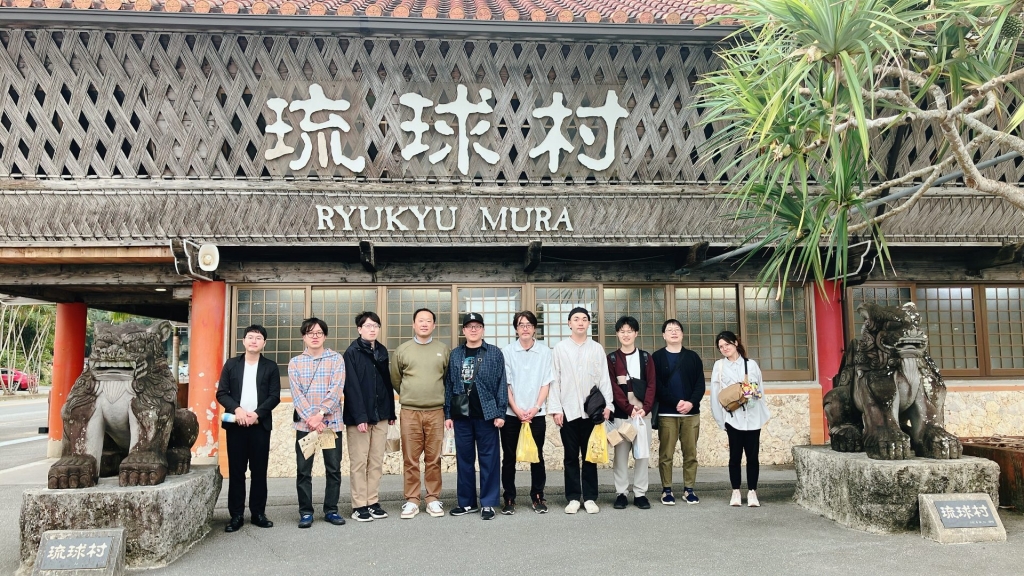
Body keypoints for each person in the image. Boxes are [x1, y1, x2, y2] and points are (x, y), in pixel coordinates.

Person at [216, 324, 281, 532]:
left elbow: (274, 396)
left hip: (259, 426)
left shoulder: (270, 367)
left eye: (258, 338)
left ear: (264, 343)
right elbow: (222, 393)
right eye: (250, 337)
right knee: (237, 471)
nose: (254, 341)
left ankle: (258, 513)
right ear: (243, 341)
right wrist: (238, 410)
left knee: (259, 471)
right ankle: (236, 515)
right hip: (236, 426)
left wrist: (256, 414)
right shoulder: (231, 364)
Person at [444, 313, 508, 520]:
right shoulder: (455, 354)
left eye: (477, 326)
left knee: (489, 460)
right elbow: (449, 385)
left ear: (483, 329)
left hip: (487, 415)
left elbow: (501, 383)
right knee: (464, 460)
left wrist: (500, 413)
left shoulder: (494, 353)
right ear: (463, 330)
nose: (473, 330)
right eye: (469, 326)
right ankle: (466, 503)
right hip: (461, 415)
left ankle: (488, 503)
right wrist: (448, 413)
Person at [549, 307, 612, 515]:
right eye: (576, 319)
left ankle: (591, 497)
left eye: (584, 319)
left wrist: (608, 405)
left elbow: (604, 379)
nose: (580, 322)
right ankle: (573, 497)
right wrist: (556, 409)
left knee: (590, 456)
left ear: (588, 324)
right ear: (569, 323)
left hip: (591, 412)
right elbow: (555, 380)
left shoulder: (596, 348)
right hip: (567, 411)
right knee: (570, 457)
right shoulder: (560, 348)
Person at [390, 308, 450, 519]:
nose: (424, 324)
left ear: (434, 325)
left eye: (428, 321)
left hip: (436, 411)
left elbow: (446, 379)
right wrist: (410, 394)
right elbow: (396, 379)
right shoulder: (403, 350)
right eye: (420, 320)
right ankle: (412, 500)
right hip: (410, 411)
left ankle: (432, 498)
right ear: (413, 324)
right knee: (410, 458)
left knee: (433, 458)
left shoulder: (443, 349)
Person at [289, 317, 346, 528]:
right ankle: (305, 512)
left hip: (330, 425)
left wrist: (320, 415)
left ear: (325, 336)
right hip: (306, 427)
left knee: (333, 469)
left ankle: (331, 510)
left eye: (319, 333)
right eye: (310, 333)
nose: (315, 336)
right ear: (303, 337)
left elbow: (336, 389)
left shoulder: (336, 359)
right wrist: (311, 419)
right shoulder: (295, 362)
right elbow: (297, 395)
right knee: (304, 470)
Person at [343, 312, 397, 522]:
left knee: (375, 461)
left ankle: (372, 501)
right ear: (359, 329)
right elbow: (351, 387)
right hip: (360, 418)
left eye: (375, 325)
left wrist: (391, 412)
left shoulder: (381, 351)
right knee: (359, 462)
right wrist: (360, 417)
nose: (372, 329)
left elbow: (386, 383)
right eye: (367, 326)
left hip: (381, 414)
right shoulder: (351, 352)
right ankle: (359, 505)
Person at [500, 310, 552, 515]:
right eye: (521, 325)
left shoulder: (545, 352)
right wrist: (516, 408)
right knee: (509, 457)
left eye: (529, 325)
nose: (525, 328)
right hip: (512, 414)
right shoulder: (507, 352)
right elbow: (506, 384)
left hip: (536, 414)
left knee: (537, 456)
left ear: (535, 328)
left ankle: (538, 496)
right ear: (516, 329)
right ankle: (509, 498)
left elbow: (546, 383)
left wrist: (535, 407)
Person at [710, 330, 769, 507]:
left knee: (753, 457)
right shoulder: (719, 366)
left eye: (727, 344)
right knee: (734, 457)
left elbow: (760, 390)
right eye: (721, 347)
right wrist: (720, 419)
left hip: (752, 417)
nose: (724, 348)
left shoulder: (751, 365)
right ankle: (735, 491)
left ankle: (752, 491)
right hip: (732, 418)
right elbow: (715, 394)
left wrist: (750, 395)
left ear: (736, 343)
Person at [606, 316, 657, 510]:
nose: (626, 334)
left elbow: (652, 384)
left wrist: (646, 407)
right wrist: (629, 408)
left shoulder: (646, 358)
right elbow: (612, 387)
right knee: (620, 455)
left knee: (642, 455)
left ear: (636, 333)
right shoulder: (612, 359)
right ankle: (621, 493)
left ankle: (640, 493)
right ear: (617, 334)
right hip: (622, 414)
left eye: (630, 331)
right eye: (622, 331)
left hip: (643, 414)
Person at [653, 319, 705, 505]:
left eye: (677, 329)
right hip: (667, 413)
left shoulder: (693, 357)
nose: (673, 332)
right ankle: (666, 490)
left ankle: (689, 489)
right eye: (669, 330)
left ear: (682, 334)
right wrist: (676, 402)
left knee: (690, 453)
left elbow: (700, 384)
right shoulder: (657, 357)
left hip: (691, 414)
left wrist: (691, 402)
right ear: (663, 335)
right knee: (666, 454)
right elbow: (656, 385)